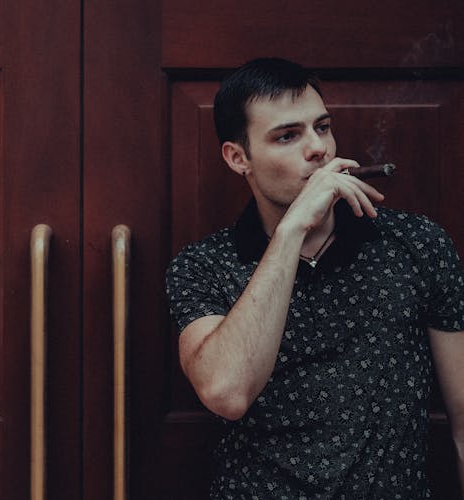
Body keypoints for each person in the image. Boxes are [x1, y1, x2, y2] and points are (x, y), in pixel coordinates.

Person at [165, 57, 464, 499]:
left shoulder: (416, 244)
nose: (318, 149)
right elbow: (226, 392)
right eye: (288, 136)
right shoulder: (202, 266)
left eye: (322, 127)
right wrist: (291, 231)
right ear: (238, 158)